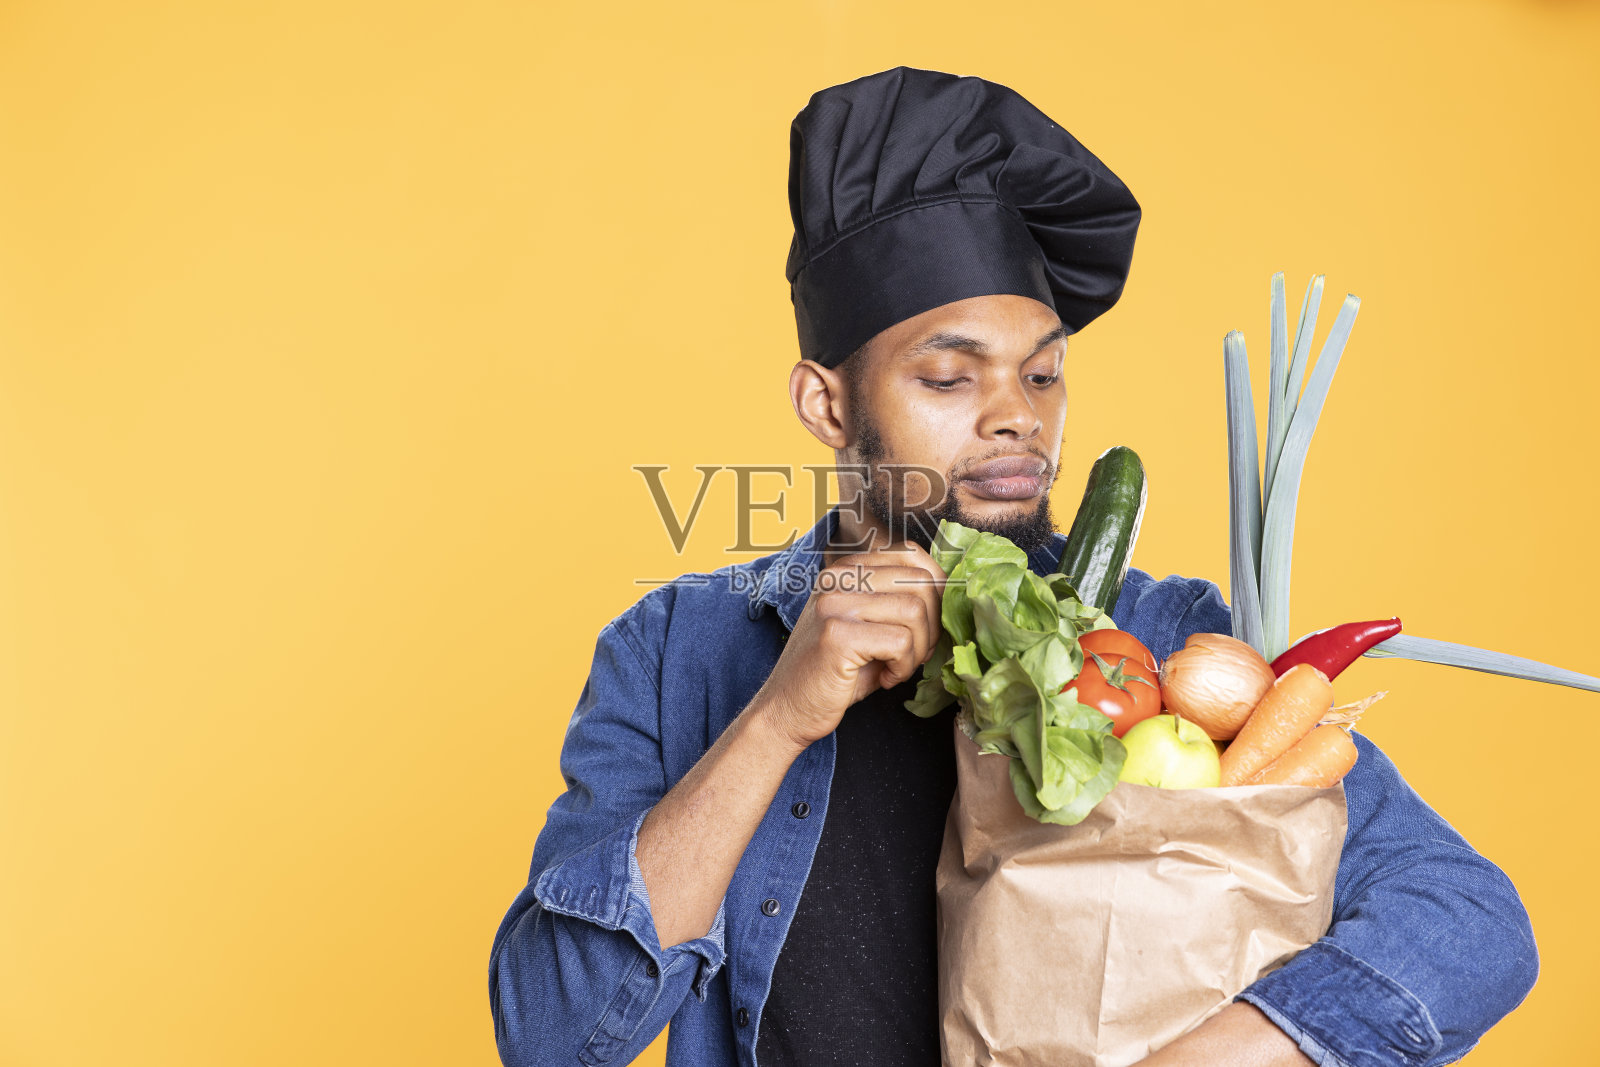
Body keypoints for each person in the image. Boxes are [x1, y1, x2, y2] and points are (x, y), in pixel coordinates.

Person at [488, 66, 1537, 1067]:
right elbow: (552, 1027)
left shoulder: (1168, 641)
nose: (1016, 415)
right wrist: (778, 717)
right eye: (949, 376)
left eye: (1043, 372)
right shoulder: (676, 648)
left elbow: (1467, 916)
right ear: (826, 404)